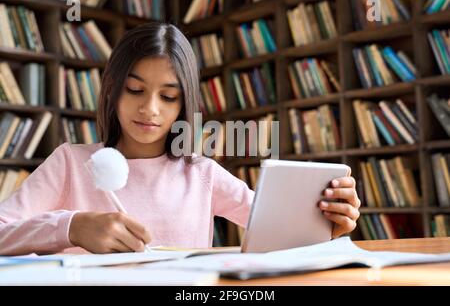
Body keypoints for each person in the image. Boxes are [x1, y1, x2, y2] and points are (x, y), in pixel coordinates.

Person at [0, 22, 360, 256]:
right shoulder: (70, 163)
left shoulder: (201, 173)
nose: (150, 109)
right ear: (112, 91)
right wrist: (71, 227)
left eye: (168, 97)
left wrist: (328, 225)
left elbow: (283, 235)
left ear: (185, 103)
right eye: (135, 90)